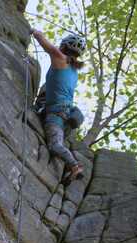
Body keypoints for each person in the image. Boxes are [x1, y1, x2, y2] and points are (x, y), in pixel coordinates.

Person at [30, 28, 86, 180]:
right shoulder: (74, 71)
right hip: (66, 114)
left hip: (56, 114)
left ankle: (75, 166)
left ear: (63, 47)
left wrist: (36, 33)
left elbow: (49, 47)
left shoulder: (60, 59)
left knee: (55, 145)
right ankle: (70, 166)